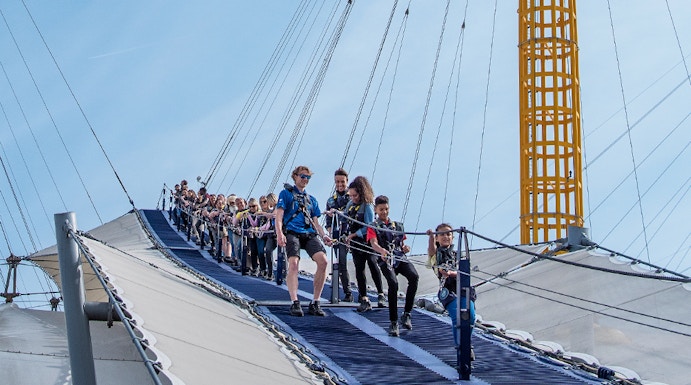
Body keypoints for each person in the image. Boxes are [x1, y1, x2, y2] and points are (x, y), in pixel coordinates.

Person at [275, 166, 332, 317]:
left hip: (309, 233)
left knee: (323, 262)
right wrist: (280, 233)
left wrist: (323, 235)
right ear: (295, 176)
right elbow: (279, 215)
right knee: (293, 264)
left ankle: (316, 301)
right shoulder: (285, 194)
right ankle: (295, 301)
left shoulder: (311, 200)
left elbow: (316, 223)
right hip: (292, 232)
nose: (305, 179)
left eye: (307, 177)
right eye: (302, 176)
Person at [367, 195, 419, 337]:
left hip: (399, 256)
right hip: (385, 259)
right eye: (381, 209)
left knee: (414, 276)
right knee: (393, 284)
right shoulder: (373, 226)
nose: (384, 212)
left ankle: (407, 313)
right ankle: (393, 321)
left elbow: (401, 244)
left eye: (386, 209)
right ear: (376, 210)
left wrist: (405, 248)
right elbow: (373, 243)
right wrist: (382, 251)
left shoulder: (398, 226)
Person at [427, 223, 476, 347]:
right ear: (437, 238)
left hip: (463, 287)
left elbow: (464, 272)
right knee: (457, 317)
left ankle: (466, 343)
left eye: (448, 234)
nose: (445, 237)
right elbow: (431, 251)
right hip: (448, 290)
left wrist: (452, 273)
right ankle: (461, 345)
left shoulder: (458, 255)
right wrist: (431, 237)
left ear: (452, 237)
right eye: (441, 234)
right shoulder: (436, 255)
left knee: (470, 317)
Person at [344, 176, 385, 312]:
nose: (353, 198)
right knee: (359, 268)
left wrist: (354, 235)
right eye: (351, 195)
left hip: (366, 240)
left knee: (373, 264)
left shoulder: (367, 205)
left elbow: (368, 226)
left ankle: (380, 294)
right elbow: (345, 217)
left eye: (355, 195)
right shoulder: (350, 205)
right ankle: (363, 297)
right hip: (355, 242)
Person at [325, 168, 353, 302]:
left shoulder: (353, 198)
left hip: (351, 233)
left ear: (347, 181)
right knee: (340, 262)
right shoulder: (331, 201)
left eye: (342, 182)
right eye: (337, 182)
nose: (340, 184)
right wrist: (330, 234)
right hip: (337, 235)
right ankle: (347, 293)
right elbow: (328, 222)